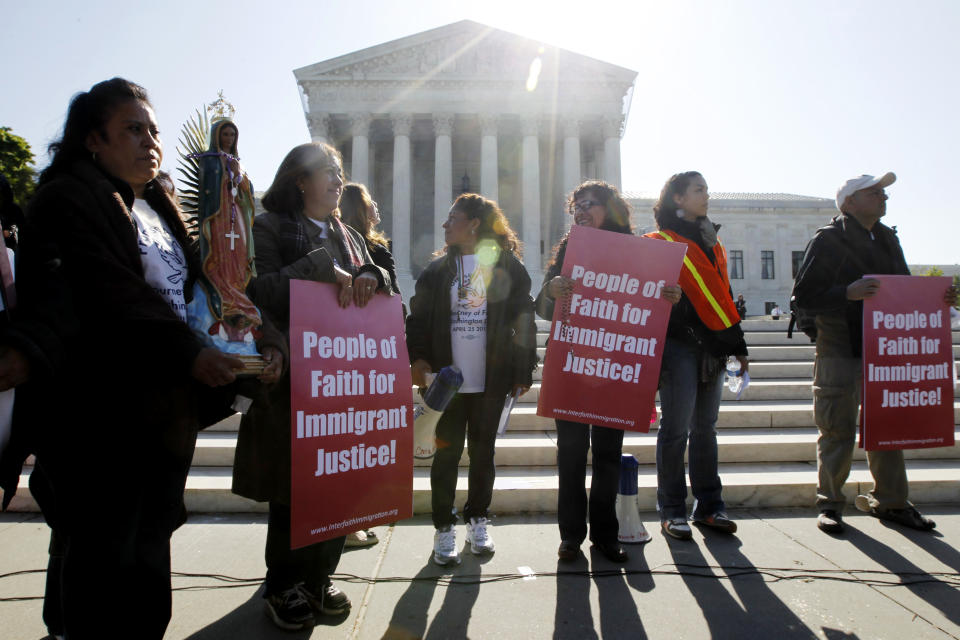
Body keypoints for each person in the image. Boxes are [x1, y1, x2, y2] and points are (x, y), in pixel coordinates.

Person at [0, 77, 283, 639]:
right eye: (133, 129)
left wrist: (262, 339)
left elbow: (216, 282)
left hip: (161, 414)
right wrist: (192, 353)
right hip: (100, 415)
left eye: (154, 130)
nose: (150, 141)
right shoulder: (68, 200)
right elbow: (111, 291)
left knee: (147, 551)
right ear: (92, 140)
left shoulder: (160, 205)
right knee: (105, 563)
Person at [232, 142, 392, 630]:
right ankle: (283, 586)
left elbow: (379, 280)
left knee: (338, 484)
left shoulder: (348, 233)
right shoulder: (271, 227)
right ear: (300, 180)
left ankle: (319, 579)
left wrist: (371, 273)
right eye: (328, 172)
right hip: (295, 378)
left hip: (345, 382)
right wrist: (324, 268)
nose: (338, 180)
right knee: (295, 488)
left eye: (341, 173)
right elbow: (257, 291)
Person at [793, 172, 957, 534]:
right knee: (836, 424)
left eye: (884, 192)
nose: (884, 197)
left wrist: (938, 299)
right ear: (850, 202)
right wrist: (846, 293)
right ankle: (831, 504)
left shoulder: (887, 238)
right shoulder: (828, 239)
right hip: (839, 340)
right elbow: (803, 296)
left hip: (886, 344)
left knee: (889, 423)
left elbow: (903, 288)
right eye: (875, 192)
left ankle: (893, 502)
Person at [536, 180, 681, 562]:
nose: (581, 210)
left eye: (590, 204)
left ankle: (605, 535)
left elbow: (651, 307)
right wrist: (552, 290)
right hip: (572, 365)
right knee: (569, 456)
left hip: (616, 365)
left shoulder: (638, 252)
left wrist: (670, 297)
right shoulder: (570, 248)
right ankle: (570, 537)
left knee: (607, 456)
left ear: (610, 209)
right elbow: (542, 307)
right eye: (577, 205)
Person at [406, 193, 536, 566]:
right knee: (445, 456)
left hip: (490, 380)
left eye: (453, 218)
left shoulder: (507, 267)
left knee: (483, 455)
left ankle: (478, 519)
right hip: (448, 384)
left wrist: (523, 368)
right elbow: (416, 320)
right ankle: (443, 529)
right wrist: (418, 359)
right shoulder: (436, 271)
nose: (445, 225)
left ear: (474, 224)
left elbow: (523, 318)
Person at [645, 171, 748, 541]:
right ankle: (672, 510)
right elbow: (648, 297)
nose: (706, 195)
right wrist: (675, 302)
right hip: (678, 347)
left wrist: (738, 347)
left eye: (706, 189)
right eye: (698, 189)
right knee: (675, 430)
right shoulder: (658, 243)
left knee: (706, 428)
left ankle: (710, 506)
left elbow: (723, 296)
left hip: (714, 345)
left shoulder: (713, 243)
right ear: (677, 199)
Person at [336, 182, 401, 548]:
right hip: (353, 354)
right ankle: (346, 521)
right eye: (370, 203)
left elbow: (389, 284)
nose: (377, 206)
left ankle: (350, 519)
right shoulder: (368, 247)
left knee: (356, 440)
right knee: (348, 440)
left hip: (355, 353)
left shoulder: (374, 249)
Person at [190, 119, 261, 346]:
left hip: (236, 216)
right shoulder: (209, 161)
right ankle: (223, 295)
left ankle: (237, 294)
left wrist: (239, 177)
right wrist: (224, 174)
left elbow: (246, 191)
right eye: (225, 135)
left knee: (238, 255)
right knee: (220, 253)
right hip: (218, 217)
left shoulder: (237, 161)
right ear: (217, 136)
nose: (229, 139)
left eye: (232, 135)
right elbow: (208, 189)